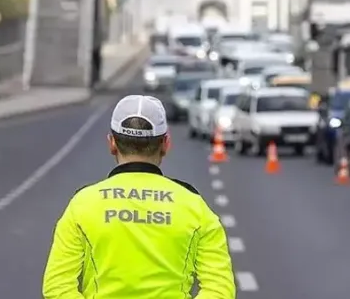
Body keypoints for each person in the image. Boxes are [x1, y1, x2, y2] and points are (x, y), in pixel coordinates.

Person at [42, 95, 236, 299]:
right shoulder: (194, 207)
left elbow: (57, 286)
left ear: (112, 143)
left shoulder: (83, 205)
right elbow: (220, 289)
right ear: (166, 144)